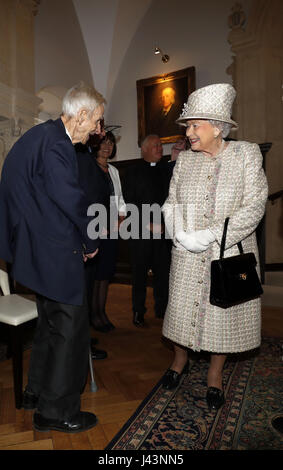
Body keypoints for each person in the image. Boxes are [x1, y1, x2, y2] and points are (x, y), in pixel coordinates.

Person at [0, 82, 105, 433]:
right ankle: (56, 412)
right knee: (70, 331)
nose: (97, 130)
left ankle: (36, 393)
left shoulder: (41, 136)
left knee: (49, 325)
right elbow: (71, 199)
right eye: (97, 121)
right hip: (54, 251)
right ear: (83, 114)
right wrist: (90, 238)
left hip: (36, 251)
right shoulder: (56, 142)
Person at [161, 83, 268, 411]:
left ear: (218, 127)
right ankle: (179, 361)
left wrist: (209, 235)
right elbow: (171, 201)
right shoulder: (184, 161)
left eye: (195, 125)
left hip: (227, 255)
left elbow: (254, 205)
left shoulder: (246, 154)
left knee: (222, 318)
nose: (188, 133)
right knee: (180, 316)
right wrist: (177, 230)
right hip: (186, 255)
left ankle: (215, 375)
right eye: (188, 126)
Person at [76, 131, 126, 334]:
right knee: (93, 275)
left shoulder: (113, 170)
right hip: (94, 226)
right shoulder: (89, 166)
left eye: (111, 144)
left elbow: (119, 198)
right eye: (104, 143)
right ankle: (91, 317)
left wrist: (120, 218)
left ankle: (101, 313)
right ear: (96, 145)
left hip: (113, 227)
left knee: (105, 273)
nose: (107, 147)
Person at [122, 135, 171, 327]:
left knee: (163, 273)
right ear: (144, 149)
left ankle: (162, 309)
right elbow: (128, 203)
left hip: (163, 232)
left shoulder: (166, 170)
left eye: (161, 145)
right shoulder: (132, 172)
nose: (160, 148)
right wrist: (148, 225)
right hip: (140, 232)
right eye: (156, 145)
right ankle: (138, 311)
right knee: (139, 274)